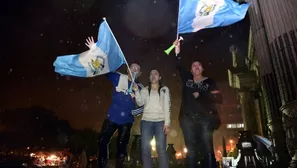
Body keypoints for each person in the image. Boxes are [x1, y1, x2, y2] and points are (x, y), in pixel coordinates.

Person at [85, 37, 143, 168]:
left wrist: (136, 94)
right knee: (102, 141)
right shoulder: (118, 77)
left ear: (139, 74)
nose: (133, 70)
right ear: (127, 69)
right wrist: (95, 51)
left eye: (137, 69)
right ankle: (102, 165)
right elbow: (103, 69)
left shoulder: (140, 87)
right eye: (132, 67)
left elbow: (142, 106)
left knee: (122, 148)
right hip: (112, 117)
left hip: (127, 121)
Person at [173, 40, 223, 168]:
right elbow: (178, 65)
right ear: (191, 70)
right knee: (191, 150)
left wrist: (201, 96)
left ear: (202, 68)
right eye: (193, 65)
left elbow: (218, 98)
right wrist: (177, 49)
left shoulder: (209, 82)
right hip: (187, 119)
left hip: (205, 119)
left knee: (207, 149)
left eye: (198, 65)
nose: (196, 67)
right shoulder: (188, 79)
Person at [133, 69, 171, 168]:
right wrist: (137, 91)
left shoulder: (164, 89)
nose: (153, 75)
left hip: (160, 122)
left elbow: (167, 106)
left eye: (156, 73)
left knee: (161, 148)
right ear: (149, 78)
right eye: (151, 74)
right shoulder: (145, 90)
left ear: (159, 77)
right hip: (146, 121)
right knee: (145, 148)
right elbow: (140, 102)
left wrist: (167, 123)